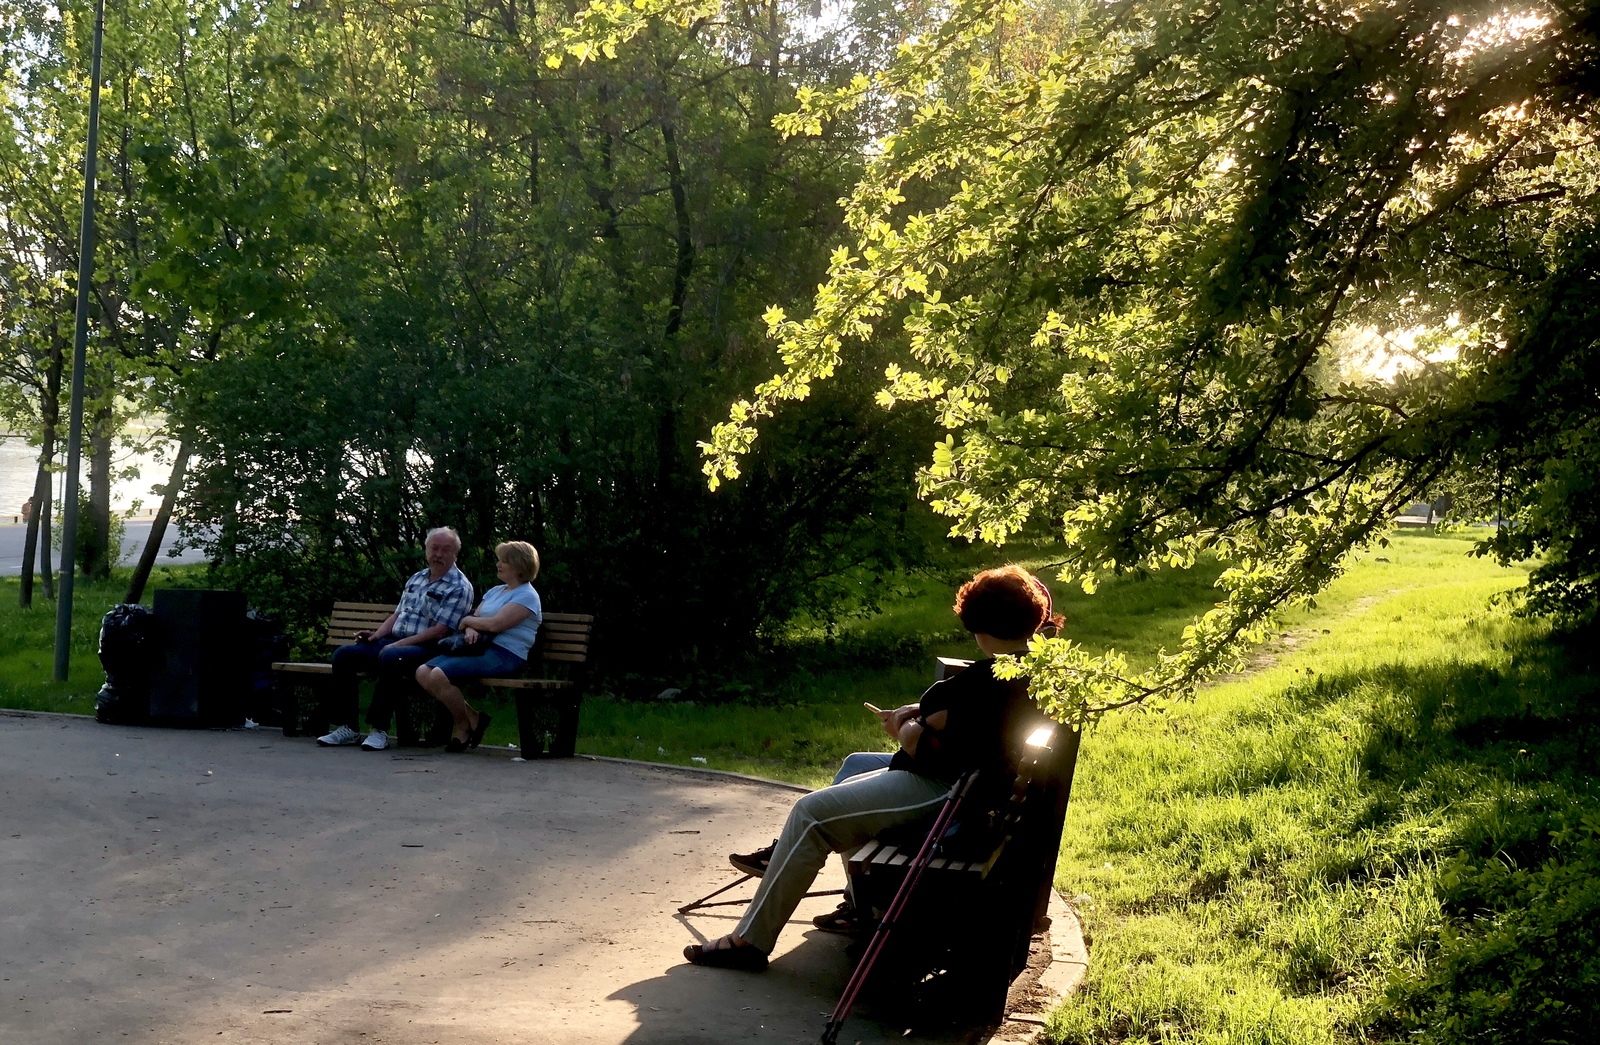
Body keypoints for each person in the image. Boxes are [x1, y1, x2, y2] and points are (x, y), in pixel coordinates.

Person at [686, 565, 1060, 971]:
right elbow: (956, 725)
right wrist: (919, 716)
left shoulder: (981, 684)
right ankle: (859, 903)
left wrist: (902, 725)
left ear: (979, 623)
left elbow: (924, 748)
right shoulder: (1027, 673)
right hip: (978, 784)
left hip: (950, 792)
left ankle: (749, 942)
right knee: (854, 765)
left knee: (811, 813)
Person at [316, 527, 475, 751]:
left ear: (455, 554)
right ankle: (348, 727)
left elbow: (441, 631)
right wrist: (376, 635)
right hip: (394, 642)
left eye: (445, 550)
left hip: (429, 649)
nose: (438, 554)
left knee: (392, 657)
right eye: (434, 548)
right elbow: (398, 614)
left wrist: (396, 644)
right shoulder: (417, 578)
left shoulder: (460, 586)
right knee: (344, 655)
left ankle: (378, 730)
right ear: (426, 550)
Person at [416, 540, 543, 752]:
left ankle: (463, 727)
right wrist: (470, 628)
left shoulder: (527, 596)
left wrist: (467, 622)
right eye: (499, 560)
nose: (498, 565)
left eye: (505, 561)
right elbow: (475, 617)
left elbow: (495, 624)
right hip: (479, 648)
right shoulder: (495, 591)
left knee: (438, 675)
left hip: (506, 655)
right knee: (423, 672)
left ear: (520, 567)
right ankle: (473, 718)